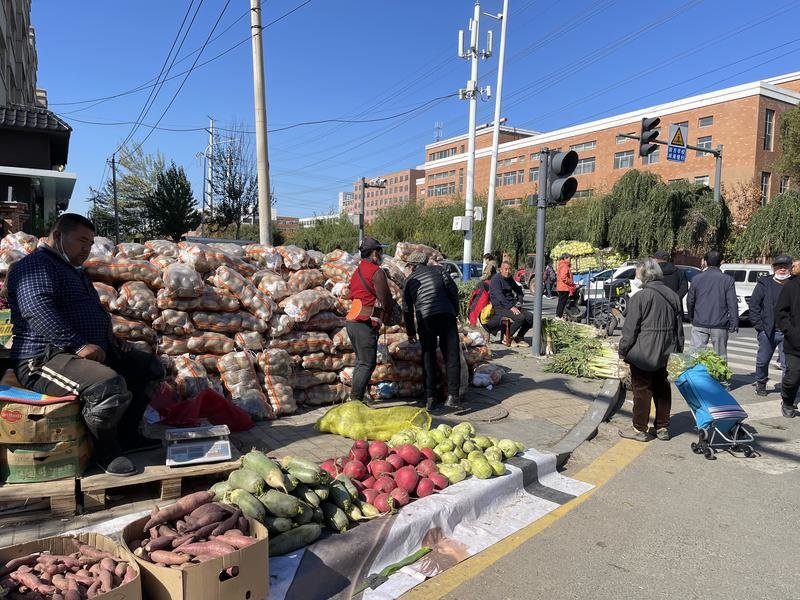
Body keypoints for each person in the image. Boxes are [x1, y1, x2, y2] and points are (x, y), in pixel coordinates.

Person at [6, 214, 164, 477]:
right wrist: (78, 345)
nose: (86, 248)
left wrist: (111, 340)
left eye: (90, 243)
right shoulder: (35, 266)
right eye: (81, 240)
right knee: (107, 385)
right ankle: (107, 452)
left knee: (149, 367)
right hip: (43, 358)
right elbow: (37, 309)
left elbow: (93, 312)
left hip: (80, 353)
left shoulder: (73, 272)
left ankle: (127, 437)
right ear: (58, 235)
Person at [618, 258, 684, 442]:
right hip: (666, 351)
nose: (636, 278)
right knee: (663, 388)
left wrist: (623, 350)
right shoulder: (673, 296)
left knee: (642, 390)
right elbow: (679, 330)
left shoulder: (640, 297)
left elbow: (630, 330)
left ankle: (639, 428)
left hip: (643, 353)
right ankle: (662, 427)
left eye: (637, 274)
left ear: (644, 276)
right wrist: (678, 350)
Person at [402, 251, 461, 410]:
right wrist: (454, 312)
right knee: (451, 355)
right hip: (446, 316)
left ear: (413, 266)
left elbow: (406, 309)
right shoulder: (440, 271)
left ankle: (430, 397)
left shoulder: (409, 281)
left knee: (428, 355)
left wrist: (411, 332)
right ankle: (453, 397)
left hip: (426, 319)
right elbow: (453, 292)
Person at [346, 235, 394, 404]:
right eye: (380, 252)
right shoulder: (376, 272)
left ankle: (361, 396)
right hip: (363, 323)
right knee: (367, 363)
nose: (381, 256)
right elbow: (386, 298)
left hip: (352, 322)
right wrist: (387, 314)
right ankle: (356, 400)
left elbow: (352, 295)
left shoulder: (357, 272)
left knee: (362, 362)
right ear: (374, 254)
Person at [750, 255, 793, 396]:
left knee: (787, 365)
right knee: (762, 361)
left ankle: (787, 391)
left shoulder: (795, 284)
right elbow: (754, 306)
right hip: (768, 331)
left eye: (785, 266)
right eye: (778, 266)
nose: (782, 269)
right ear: (773, 268)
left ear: (790, 268)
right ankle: (761, 382)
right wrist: (760, 327)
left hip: (788, 333)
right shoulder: (764, 283)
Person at [686, 250, 738, 361]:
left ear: (705, 261)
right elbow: (732, 303)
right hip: (719, 324)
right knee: (720, 357)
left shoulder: (696, 279)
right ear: (721, 262)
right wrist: (734, 322)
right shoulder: (727, 280)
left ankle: (693, 377)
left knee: (694, 355)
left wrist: (691, 317)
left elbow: (690, 300)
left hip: (700, 322)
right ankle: (720, 378)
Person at [489, 261, 534, 347]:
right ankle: (507, 337)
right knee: (520, 318)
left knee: (530, 317)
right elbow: (500, 297)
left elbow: (519, 291)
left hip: (511, 304)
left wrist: (519, 301)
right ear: (501, 270)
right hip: (500, 307)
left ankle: (519, 337)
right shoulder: (496, 280)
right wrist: (511, 307)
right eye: (505, 269)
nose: (507, 271)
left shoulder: (510, 279)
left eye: (509, 269)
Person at [776, 273, 800, 418]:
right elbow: (780, 312)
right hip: (795, 343)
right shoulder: (791, 286)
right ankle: (787, 401)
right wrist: (791, 332)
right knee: (793, 376)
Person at [555, 253, 577, 319]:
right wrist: (571, 282)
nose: (570, 260)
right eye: (569, 259)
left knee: (561, 302)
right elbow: (564, 277)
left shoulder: (562, 265)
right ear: (565, 258)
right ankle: (558, 316)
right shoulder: (564, 266)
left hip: (562, 286)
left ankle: (559, 315)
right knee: (562, 302)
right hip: (564, 287)